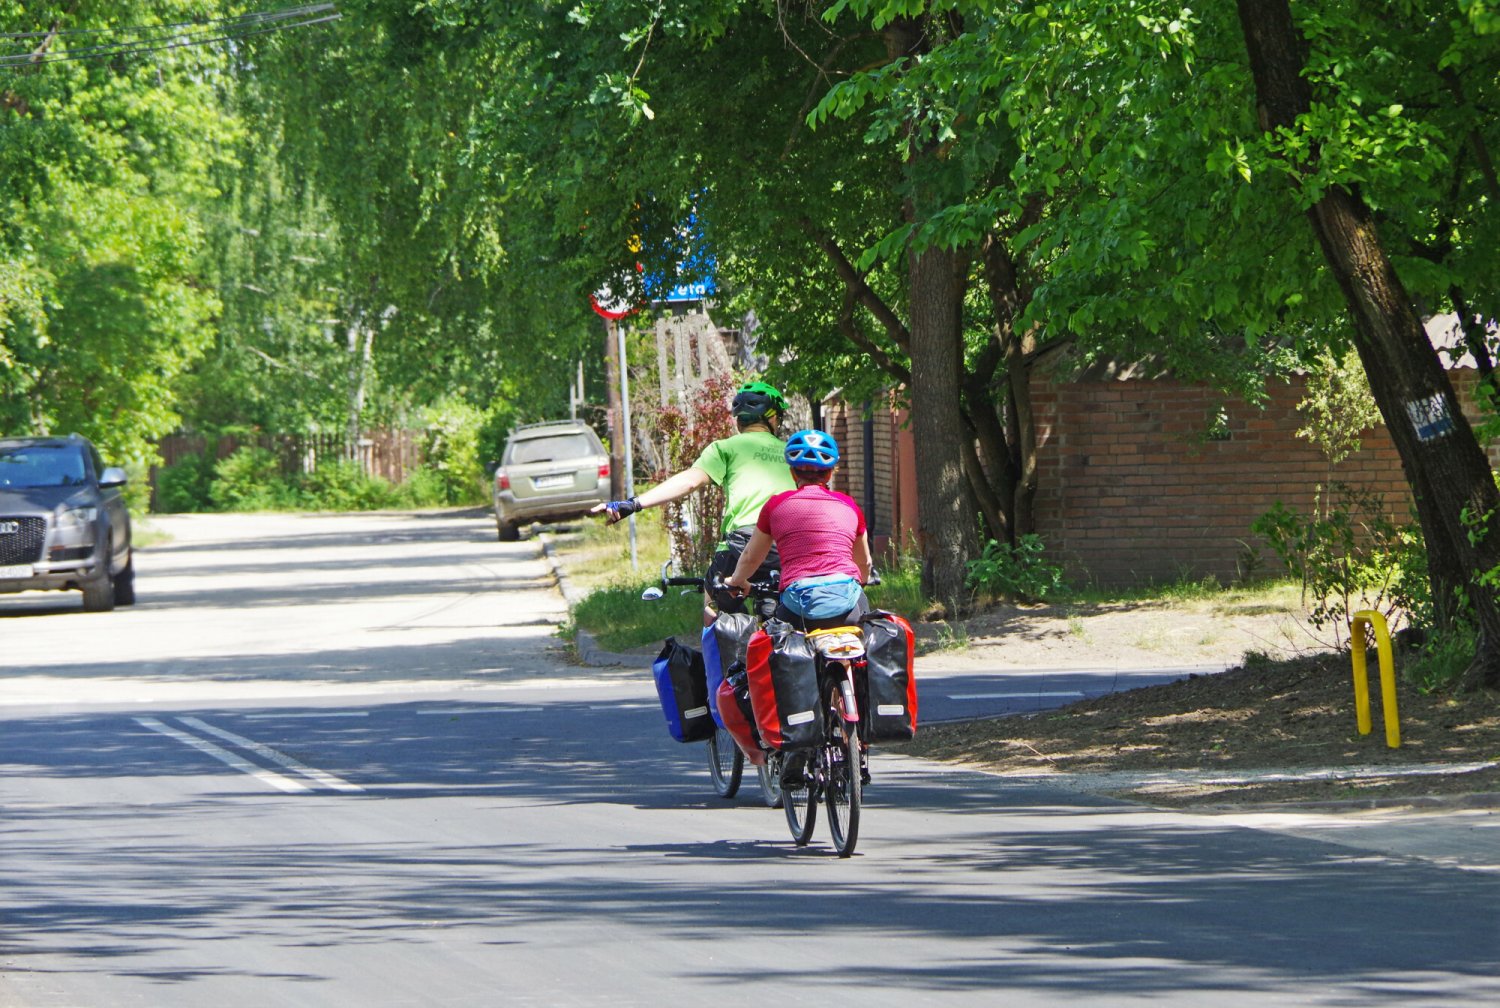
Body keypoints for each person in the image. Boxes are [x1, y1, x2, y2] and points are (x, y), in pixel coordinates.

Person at [594, 380, 795, 623]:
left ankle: (730, 643)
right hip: (788, 545)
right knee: (789, 611)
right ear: (773, 418)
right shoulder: (792, 453)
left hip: (742, 544)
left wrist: (632, 504)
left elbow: (689, 482)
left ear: (739, 420)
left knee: (712, 607)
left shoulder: (725, 448)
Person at [724, 429, 872, 631]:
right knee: (864, 638)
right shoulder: (849, 505)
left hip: (798, 606)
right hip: (848, 605)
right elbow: (864, 562)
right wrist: (861, 583)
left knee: (775, 642)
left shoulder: (775, 506)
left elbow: (751, 557)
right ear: (829, 473)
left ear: (792, 473)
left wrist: (736, 581)